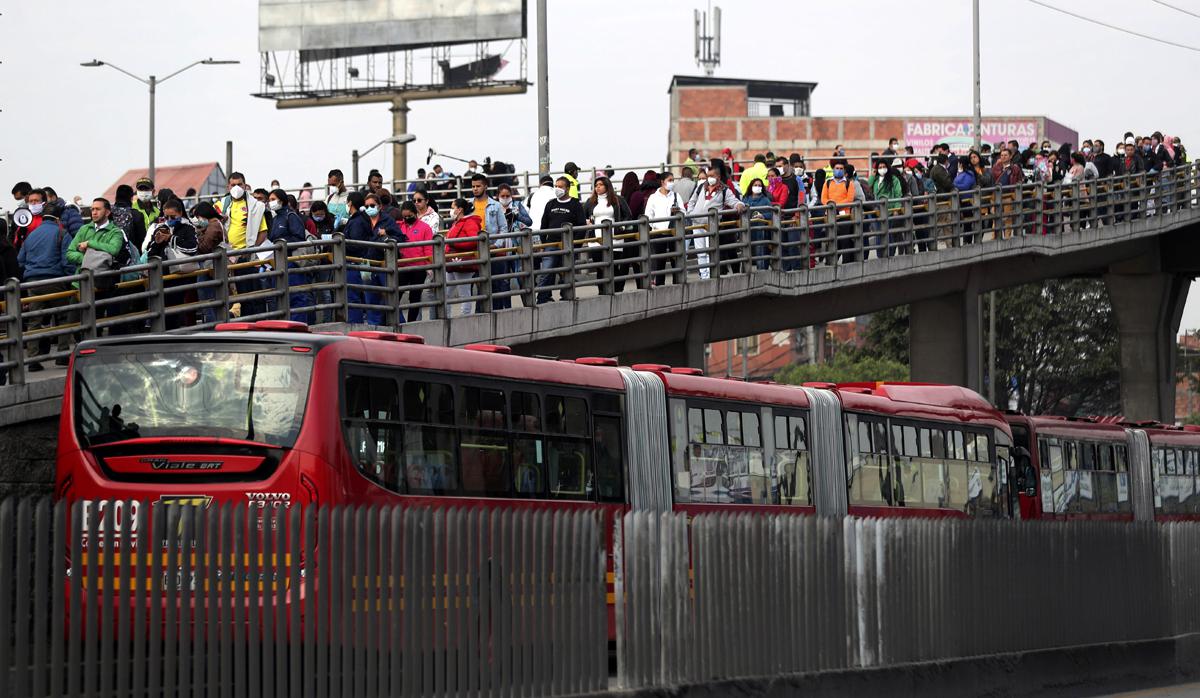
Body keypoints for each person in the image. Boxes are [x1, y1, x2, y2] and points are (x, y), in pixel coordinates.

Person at [16, 201, 73, 369]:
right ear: (58, 218)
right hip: (55, 280)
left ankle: (33, 360)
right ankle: (62, 354)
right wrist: (71, 280)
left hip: (32, 282)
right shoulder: (62, 233)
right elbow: (67, 261)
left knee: (34, 320)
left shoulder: (31, 235)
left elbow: (21, 260)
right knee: (62, 317)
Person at [344, 191, 403, 325]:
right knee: (371, 301)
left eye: (372, 205)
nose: (370, 208)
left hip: (383, 265)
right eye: (367, 205)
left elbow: (401, 238)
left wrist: (387, 234)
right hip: (368, 265)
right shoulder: (363, 219)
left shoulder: (387, 220)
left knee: (390, 298)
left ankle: (401, 327)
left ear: (380, 206)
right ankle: (374, 329)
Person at [66, 198, 126, 328]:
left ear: (107, 212)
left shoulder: (115, 231)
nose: (94, 212)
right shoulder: (84, 229)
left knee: (95, 325)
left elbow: (114, 250)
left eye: (98, 209)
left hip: (100, 285)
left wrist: (89, 244)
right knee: (72, 325)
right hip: (79, 284)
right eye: (92, 209)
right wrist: (90, 259)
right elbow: (70, 253)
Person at [146, 200, 199, 329]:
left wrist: (171, 238)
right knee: (165, 312)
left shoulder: (188, 228)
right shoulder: (160, 228)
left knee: (179, 312)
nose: (169, 220)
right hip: (164, 277)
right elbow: (150, 252)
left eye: (173, 217)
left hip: (183, 277)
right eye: (166, 217)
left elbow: (193, 248)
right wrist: (157, 241)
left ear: (180, 213)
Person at [266, 188, 315, 323]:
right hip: (278, 262)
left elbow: (298, 238)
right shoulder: (276, 219)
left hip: (291, 261)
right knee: (281, 297)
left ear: (281, 200)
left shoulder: (291, 216)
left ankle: (299, 325)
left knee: (297, 296)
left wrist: (282, 245)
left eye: (272, 200)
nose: (270, 203)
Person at [686, 164, 744, 277]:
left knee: (710, 252)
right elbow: (692, 201)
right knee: (700, 252)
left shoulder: (724, 190)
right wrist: (691, 213)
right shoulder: (701, 187)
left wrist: (739, 205)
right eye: (708, 176)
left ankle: (710, 275)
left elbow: (733, 201)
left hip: (711, 226)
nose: (709, 178)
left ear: (718, 176)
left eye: (711, 175)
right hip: (697, 224)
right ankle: (704, 276)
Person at [536, 177, 586, 304]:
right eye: (556, 186)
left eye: (561, 186)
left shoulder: (575, 204)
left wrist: (576, 244)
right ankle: (543, 298)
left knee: (567, 272)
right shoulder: (550, 204)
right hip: (551, 244)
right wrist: (544, 243)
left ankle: (567, 295)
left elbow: (582, 226)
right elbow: (544, 225)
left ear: (568, 188)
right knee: (546, 272)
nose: (558, 189)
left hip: (568, 245)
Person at [468, 173, 510, 311]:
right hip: (475, 252)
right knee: (479, 286)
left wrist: (496, 245)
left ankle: (497, 314)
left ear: (485, 186)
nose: (475, 189)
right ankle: (479, 314)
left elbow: (503, 228)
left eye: (478, 186)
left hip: (494, 251)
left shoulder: (495, 205)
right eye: (473, 186)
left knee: (496, 285)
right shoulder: (468, 206)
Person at [583, 176, 633, 289]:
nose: (598, 187)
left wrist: (622, 227)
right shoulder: (590, 201)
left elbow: (628, 215)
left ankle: (617, 289)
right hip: (595, 240)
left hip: (615, 239)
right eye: (596, 185)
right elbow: (583, 217)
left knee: (613, 266)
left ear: (607, 186)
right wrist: (587, 222)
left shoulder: (618, 199)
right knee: (600, 267)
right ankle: (602, 291)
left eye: (600, 185)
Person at [396, 200, 434, 322]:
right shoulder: (399, 226)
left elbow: (428, 248)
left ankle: (412, 322)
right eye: (405, 216)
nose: (407, 218)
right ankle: (396, 320)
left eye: (410, 216)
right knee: (396, 294)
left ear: (415, 213)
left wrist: (429, 266)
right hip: (402, 266)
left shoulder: (425, 228)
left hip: (418, 267)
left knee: (415, 296)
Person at [645, 171, 686, 283]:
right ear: (662, 182)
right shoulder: (653, 197)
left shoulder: (676, 196)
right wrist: (656, 226)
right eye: (670, 180)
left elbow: (684, 212)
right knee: (659, 262)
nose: (672, 182)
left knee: (675, 260)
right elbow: (648, 215)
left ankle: (677, 283)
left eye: (673, 180)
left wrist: (677, 211)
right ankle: (659, 285)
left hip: (673, 233)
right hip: (658, 234)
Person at [445, 198, 482, 316]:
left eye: (452, 207)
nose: (451, 210)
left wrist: (454, 243)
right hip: (452, 262)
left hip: (462, 261)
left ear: (459, 209)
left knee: (464, 292)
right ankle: (446, 316)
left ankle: (465, 317)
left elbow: (473, 241)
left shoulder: (469, 222)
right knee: (446, 292)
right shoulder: (457, 222)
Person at [822, 161, 858, 263]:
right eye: (837, 168)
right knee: (831, 239)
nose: (839, 170)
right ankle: (831, 262)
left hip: (844, 215)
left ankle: (846, 262)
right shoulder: (828, 183)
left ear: (844, 171)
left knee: (845, 240)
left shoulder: (848, 183)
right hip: (830, 215)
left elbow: (849, 199)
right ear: (833, 169)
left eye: (841, 169)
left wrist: (835, 205)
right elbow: (823, 198)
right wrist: (831, 205)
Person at [868, 160, 905, 256]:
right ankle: (880, 255)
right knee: (879, 234)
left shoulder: (893, 179)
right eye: (879, 167)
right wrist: (872, 174)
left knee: (889, 234)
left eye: (884, 166)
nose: (882, 169)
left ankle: (890, 254)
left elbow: (898, 194)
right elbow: (868, 185)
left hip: (890, 210)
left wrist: (896, 209)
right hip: (878, 211)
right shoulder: (875, 180)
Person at [742, 178, 774, 269]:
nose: (757, 187)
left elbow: (771, 213)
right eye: (755, 185)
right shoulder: (745, 199)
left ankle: (762, 270)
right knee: (747, 251)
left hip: (761, 231)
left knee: (761, 250)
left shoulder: (766, 200)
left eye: (759, 185)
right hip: (748, 230)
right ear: (751, 186)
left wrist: (763, 216)